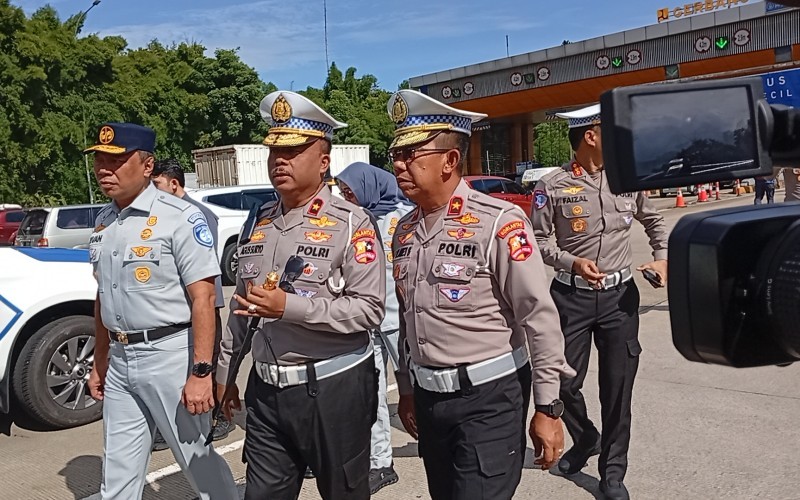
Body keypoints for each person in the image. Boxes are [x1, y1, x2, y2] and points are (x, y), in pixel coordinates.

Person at [387, 89, 575, 500]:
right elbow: (406, 321)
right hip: (430, 398)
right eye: (395, 155)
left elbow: (538, 317)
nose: (399, 165)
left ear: (450, 160)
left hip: (488, 399)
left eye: (411, 154)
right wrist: (406, 387)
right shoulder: (404, 231)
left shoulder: (498, 222)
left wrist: (548, 406)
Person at [216, 91, 386, 500]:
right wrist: (224, 373)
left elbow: (369, 309)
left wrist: (288, 307)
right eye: (274, 151)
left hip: (333, 387)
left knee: (343, 492)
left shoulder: (351, 222)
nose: (279, 161)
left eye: (292, 151)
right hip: (267, 391)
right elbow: (242, 308)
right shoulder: (258, 222)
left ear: (324, 162)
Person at [84, 122, 238, 500]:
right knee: (117, 470)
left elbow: (203, 298)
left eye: (116, 160)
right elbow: (104, 295)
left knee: (196, 459)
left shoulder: (179, 216)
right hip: (120, 360)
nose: (105, 168)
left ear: (148, 165)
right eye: (100, 159)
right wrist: (99, 361)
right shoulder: (104, 221)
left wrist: (202, 371)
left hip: (168, 355)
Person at [531, 104, 669, 500]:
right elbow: (541, 242)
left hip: (619, 299)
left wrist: (662, 257)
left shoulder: (628, 177)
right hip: (570, 297)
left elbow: (655, 221)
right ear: (590, 136)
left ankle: (612, 472)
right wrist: (572, 262)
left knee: (618, 389)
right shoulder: (552, 186)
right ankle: (586, 436)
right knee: (561, 382)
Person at [336, 161, 414, 494]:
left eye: (349, 190)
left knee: (420, 391)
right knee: (372, 395)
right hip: (369, 322)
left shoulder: (405, 215)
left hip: (403, 323)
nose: (346, 196)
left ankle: (441, 444)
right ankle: (380, 462)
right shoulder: (357, 220)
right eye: (342, 192)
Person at [149, 158, 235, 450]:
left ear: (174, 184)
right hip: (180, 308)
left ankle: (221, 415)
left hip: (204, 305)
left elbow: (201, 267)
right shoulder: (163, 215)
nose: (153, 192)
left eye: (157, 185)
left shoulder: (197, 214)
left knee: (208, 360)